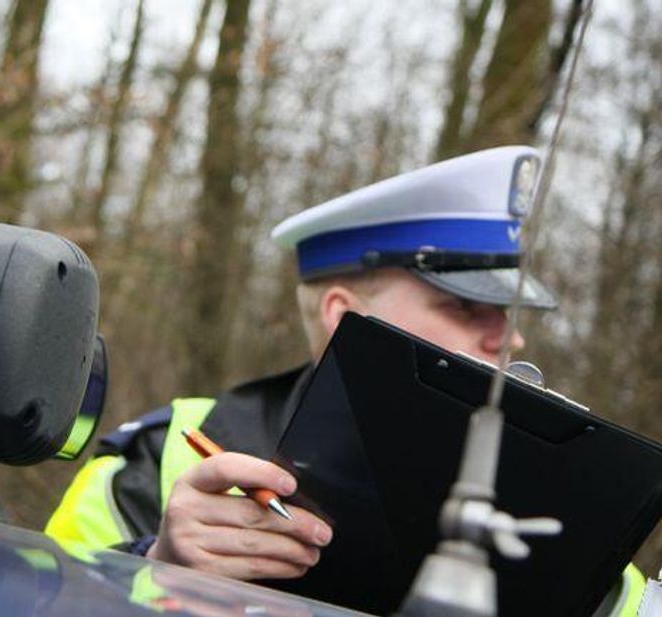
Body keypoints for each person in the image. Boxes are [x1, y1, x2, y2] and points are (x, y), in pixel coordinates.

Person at [45, 146, 646, 613]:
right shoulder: (158, 461)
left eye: (509, 313)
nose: (509, 339)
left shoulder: (576, 510)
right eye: (465, 307)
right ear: (344, 318)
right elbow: (45, 598)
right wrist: (156, 567)